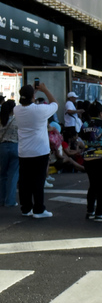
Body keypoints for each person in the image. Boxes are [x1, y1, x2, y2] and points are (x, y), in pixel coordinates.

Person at [16, 83, 59, 218]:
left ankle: (26, 208)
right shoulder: (40, 110)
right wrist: (45, 89)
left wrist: (31, 93)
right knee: (38, 181)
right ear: (33, 96)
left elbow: (26, 101)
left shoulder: (17, 110)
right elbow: (55, 103)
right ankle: (39, 209)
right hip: (40, 151)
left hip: (24, 151)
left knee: (25, 182)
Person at [0, 100, 19, 207]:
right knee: (13, 175)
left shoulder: (1, 121)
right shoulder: (17, 120)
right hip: (14, 146)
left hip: (2, 147)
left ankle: (2, 199)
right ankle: (10, 201)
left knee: (3, 174)